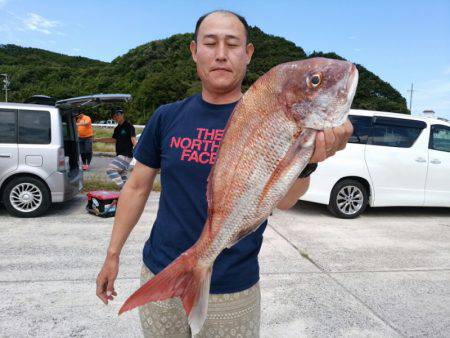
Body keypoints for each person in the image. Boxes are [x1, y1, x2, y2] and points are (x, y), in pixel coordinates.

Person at [96, 10, 353, 337]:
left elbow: (285, 200)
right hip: (161, 270)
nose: (221, 54)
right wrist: (112, 256)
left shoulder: (271, 121)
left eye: (232, 44)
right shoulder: (166, 117)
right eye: (210, 43)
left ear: (247, 54)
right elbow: (135, 188)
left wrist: (310, 160)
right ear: (194, 51)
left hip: (233, 286)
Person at [94, 109, 137, 189]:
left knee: (111, 169)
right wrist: (98, 139)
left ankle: (124, 191)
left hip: (126, 155)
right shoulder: (117, 128)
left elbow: (133, 139)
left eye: (117, 115)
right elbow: (113, 139)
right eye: (114, 116)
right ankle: (129, 192)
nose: (116, 117)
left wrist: (139, 152)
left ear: (122, 114)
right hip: (120, 154)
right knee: (122, 176)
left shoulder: (129, 126)